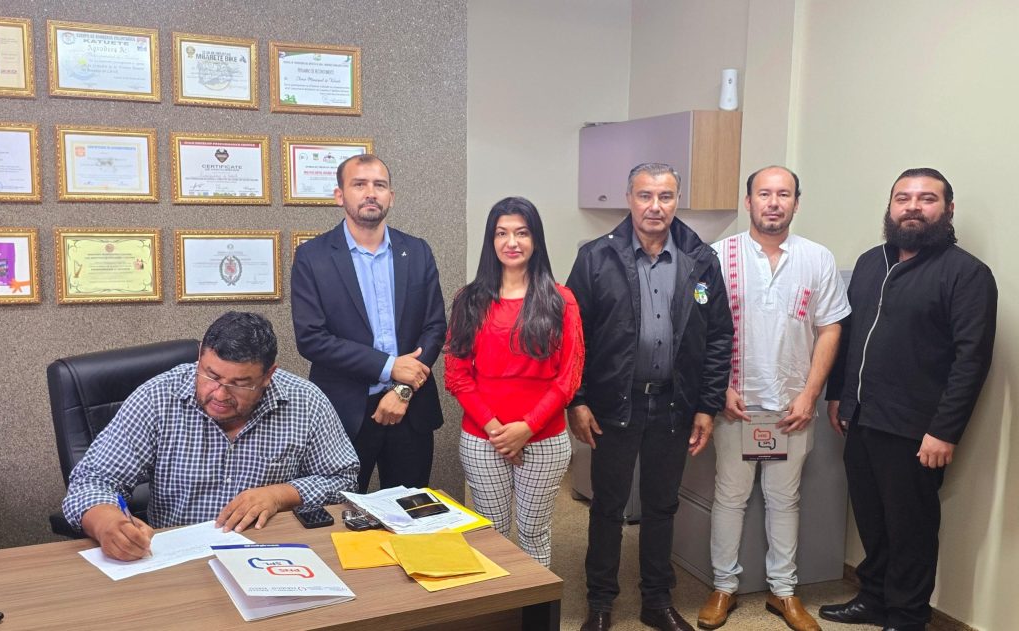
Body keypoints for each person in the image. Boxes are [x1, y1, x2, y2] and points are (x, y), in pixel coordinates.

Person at [821, 168, 997, 631]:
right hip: (861, 419)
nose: (913, 207)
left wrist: (944, 431)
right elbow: (849, 335)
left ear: (948, 209)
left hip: (917, 430)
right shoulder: (869, 263)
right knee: (872, 520)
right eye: (903, 198)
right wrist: (838, 396)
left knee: (910, 530)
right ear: (890, 207)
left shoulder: (967, 274)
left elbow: (972, 360)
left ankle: (907, 616)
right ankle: (874, 598)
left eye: (926, 198)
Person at [567, 163, 733, 631]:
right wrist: (577, 399)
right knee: (608, 506)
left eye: (665, 196)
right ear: (629, 198)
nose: (655, 206)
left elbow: (719, 336)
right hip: (614, 404)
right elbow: (572, 335)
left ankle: (656, 601)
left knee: (662, 506)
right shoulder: (595, 257)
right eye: (645, 196)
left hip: (674, 404)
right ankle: (600, 602)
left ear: (677, 200)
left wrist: (707, 405)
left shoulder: (701, 259)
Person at [62, 311, 360, 561]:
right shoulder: (158, 397)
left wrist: (280, 495)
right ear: (200, 358)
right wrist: (106, 523)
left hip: (269, 555)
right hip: (175, 560)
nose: (219, 394)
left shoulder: (305, 402)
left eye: (239, 384)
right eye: (211, 376)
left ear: (268, 376)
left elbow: (344, 481)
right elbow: (92, 480)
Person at [696, 166, 850, 631]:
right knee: (730, 496)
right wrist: (719, 389)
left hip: (792, 407)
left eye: (784, 194)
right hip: (736, 405)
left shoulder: (817, 258)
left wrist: (810, 394)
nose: (774, 202)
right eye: (764, 193)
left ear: (796, 203)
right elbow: (699, 329)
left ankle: (784, 592)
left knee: (785, 500)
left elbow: (830, 328)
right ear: (749, 202)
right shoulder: (717, 256)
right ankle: (723, 586)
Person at [291, 154, 446, 492]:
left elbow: (434, 327)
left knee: (409, 509)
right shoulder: (312, 257)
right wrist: (390, 367)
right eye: (359, 184)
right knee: (340, 509)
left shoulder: (417, 251)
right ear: (340, 195)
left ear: (391, 196)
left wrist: (403, 388)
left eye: (380, 185)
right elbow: (312, 338)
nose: (370, 193)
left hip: (410, 408)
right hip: (344, 414)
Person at [444, 196, 584, 567]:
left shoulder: (561, 300)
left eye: (522, 233)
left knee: (534, 532)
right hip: (482, 439)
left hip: (544, 438)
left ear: (535, 239)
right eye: (502, 233)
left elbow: (568, 377)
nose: (512, 242)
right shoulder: (468, 300)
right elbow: (457, 375)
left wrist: (527, 428)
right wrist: (497, 431)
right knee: (490, 535)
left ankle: (534, 604)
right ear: (491, 241)